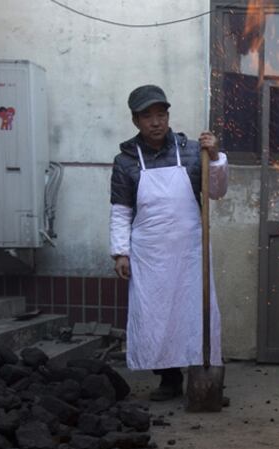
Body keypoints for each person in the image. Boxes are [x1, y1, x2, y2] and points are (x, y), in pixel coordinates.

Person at [110, 85, 229, 401]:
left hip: (190, 250)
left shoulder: (191, 151)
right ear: (136, 120)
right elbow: (121, 210)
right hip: (149, 253)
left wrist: (215, 156)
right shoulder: (125, 161)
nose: (155, 122)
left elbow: (216, 191)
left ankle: (202, 378)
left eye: (160, 114)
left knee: (196, 312)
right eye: (147, 116)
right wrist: (121, 252)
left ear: (167, 116)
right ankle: (168, 380)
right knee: (155, 317)